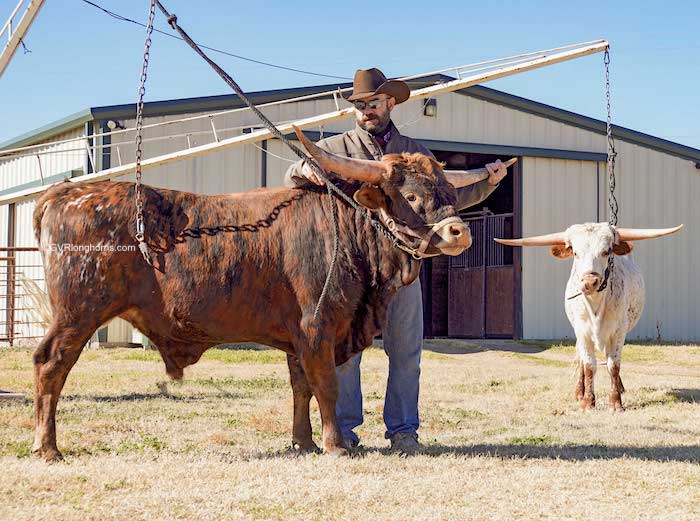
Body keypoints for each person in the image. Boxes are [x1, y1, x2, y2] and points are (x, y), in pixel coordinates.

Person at [284, 68, 509, 454]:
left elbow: (441, 202)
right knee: (346, 354)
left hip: (402, 268)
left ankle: (404, 432)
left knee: (406, 352)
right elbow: (292, 177)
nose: (366, 110)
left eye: (373, 103)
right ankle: (345, 432)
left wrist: (489, 183)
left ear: (390, 103)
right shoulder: (338, 147)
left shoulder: (416, 153)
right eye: (359, 105)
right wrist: (301, 168)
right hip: (350, 270)